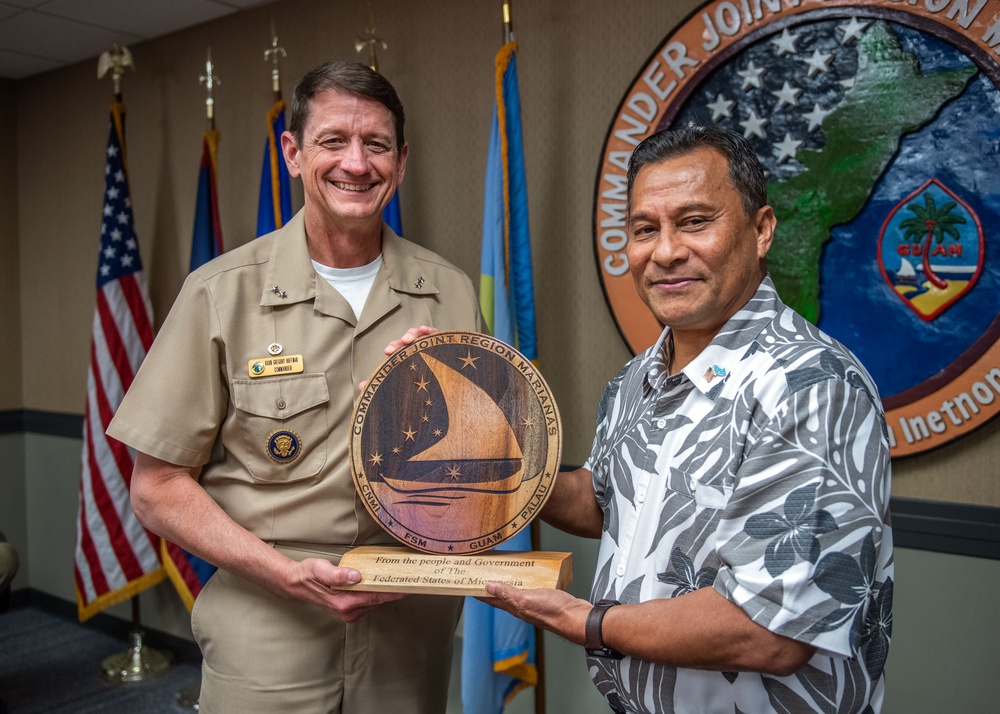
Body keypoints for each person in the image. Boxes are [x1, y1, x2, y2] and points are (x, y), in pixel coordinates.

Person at [108, 61, 481, 714]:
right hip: (268, 623)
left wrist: (452, 411)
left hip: (408, 626)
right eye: (334, 141)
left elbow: (481, 470)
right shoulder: (221, 294)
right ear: (293, 152)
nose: (356, 164)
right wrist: (287, 576)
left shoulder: (448, 290)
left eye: (377, 145)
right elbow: (157, 489)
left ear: (401, 160)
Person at [484, 125, 894, 713]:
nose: (666, 250)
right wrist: (496, 454)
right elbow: (605, 503)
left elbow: (769, 629)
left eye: (695, 221)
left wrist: (586, 621)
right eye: (645, 229)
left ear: (761, 230)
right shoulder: (635, 379)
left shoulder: (812, 388)